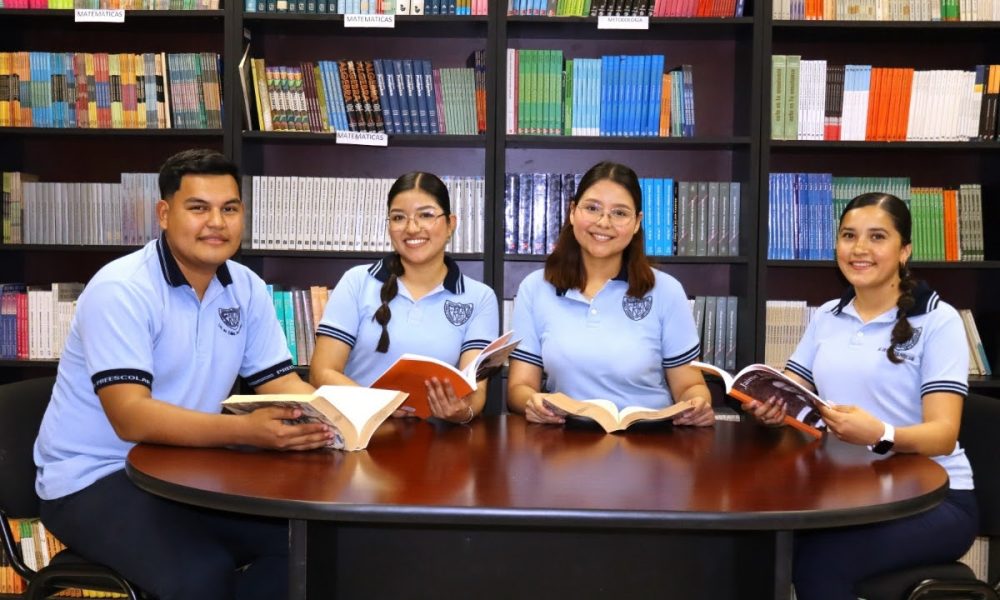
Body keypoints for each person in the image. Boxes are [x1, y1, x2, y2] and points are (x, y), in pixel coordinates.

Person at [34, 149, 335, 600]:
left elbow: (280, 382)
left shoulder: (246, 286)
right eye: (198, 208)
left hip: (185, 471)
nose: (216, 222)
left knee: (308, 548)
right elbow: (131, 417)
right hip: (94, 478)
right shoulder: (122, 289)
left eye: (229, 209)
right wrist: (247, 432)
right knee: (202, 575)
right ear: (164, 213)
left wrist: (341, 417)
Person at [746, 192, 977, 600]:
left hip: (934, 499)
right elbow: (793, 386)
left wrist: (881, 434)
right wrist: (770, 406)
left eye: (877, 237)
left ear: (904, 251)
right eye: (849, 235)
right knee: (761, 547)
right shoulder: (827, 316)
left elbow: (943, 435)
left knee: (821, 563)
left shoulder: (939, 321)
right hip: (850, 492)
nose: (859, 249)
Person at [506, 161, 715, 427]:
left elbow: (689, 386)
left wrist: (697, 404)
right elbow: (520, 387)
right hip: (566, 438)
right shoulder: (536, 288)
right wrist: (533, 402)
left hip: (650, 439)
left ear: (637, 223)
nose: (604, 222)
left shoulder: (667, 290)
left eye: (619, 213)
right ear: (572, 212)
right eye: (592, 208)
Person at [310, 171, 499, 423]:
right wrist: (378, 405)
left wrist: (461, 411)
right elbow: (321, 372)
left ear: (450, 224)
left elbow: (476, 392)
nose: (412, 228)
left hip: (437, 438)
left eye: (426, 215)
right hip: (359, 431)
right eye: (399, 217)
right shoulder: (356, 282)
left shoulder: (480, 297)